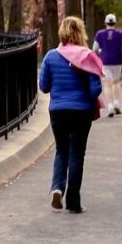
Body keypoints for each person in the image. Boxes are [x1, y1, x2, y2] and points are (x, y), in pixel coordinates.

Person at [39, 16, 104, 213]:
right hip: (81, 111)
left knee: (61, 151)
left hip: (58, 111)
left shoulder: (50, 56)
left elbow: (44, 87)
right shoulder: (87, 56)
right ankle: (74, 202)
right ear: (80, 32)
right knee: (77, 154)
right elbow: (95, 91)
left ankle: (58, 188)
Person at [93, 14, 122, 117]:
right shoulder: (120, 33)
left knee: (107, 84)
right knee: (116, 82)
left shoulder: (100, 34)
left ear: (106, 23)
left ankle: (110, 106)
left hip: (105, 62)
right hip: (118, 61)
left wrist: (99, 54)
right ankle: (117, 103)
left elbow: (94, 48)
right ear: (115, 23)